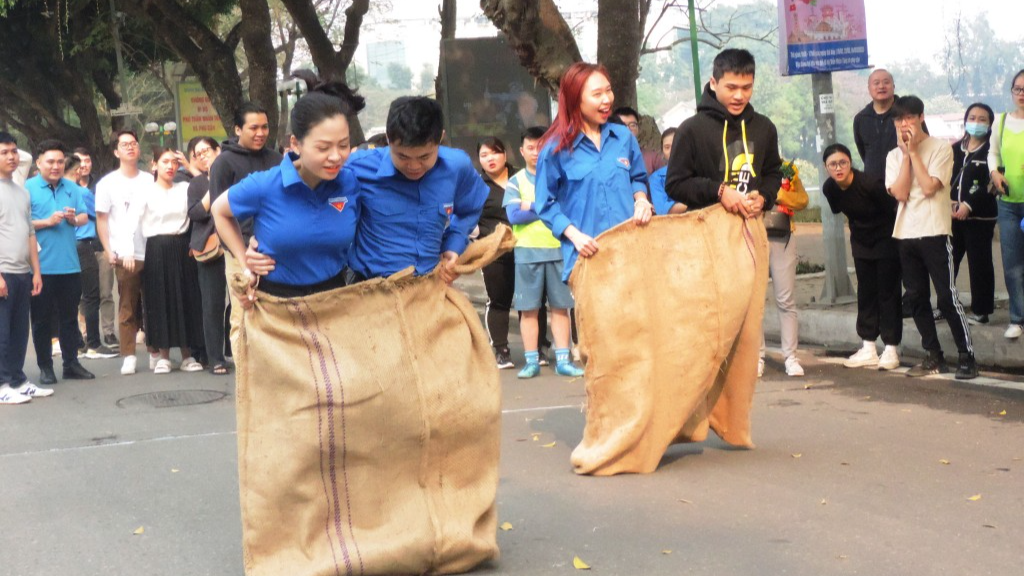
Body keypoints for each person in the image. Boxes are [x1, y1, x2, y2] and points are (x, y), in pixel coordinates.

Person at [244, 96, 489, 292]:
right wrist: (263, 244)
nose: (414, 166)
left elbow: (469, 208)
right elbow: (298, 192)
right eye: (402, 156)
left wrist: (454, 244)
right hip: (368, 290)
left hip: (429, 287)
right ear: (389, 140)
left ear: (440, 140)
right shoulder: (356, 167)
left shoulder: (457, 166)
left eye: (425, 157)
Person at [213, 77, 364, 301]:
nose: (336, 156)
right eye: (323, 147)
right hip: (276, 305)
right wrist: (245, 260)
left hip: (335, 301)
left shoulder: (350, 182)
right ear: (295, 144)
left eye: (343, 145)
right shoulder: (265, 184)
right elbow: (219, 210)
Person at [535, 62, 652, 288]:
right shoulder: (554, 149)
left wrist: (642, 200)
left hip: (631, 253)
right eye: (597, 94)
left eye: (608, 90)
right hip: (586, 258)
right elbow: (545, 204)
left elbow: (637, 177)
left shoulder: (624, 137)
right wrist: (575, 236)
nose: (607, 99)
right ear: (574, 99)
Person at [886, 95, 976, 380]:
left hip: (935, 231)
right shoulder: (892, 155)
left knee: (947, 296)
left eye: (909, 118)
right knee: (916, 298)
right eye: (899, 120)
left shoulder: (941, 149)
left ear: (921, 117)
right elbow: (900, 193)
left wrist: (913, 153)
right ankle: (933, 355)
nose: (904, 124)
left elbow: (928, 187)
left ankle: (967, 356)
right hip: (905, 233)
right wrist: (904, 155)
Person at [503, 126, 584, 378]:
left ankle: (563, 360)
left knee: (562, 308)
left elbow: (570, 207)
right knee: (528, 309)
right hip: (527, 252)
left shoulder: (561, 177)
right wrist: (548, 206)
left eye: (541, 147)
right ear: (521, 151)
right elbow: (514, 214)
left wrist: (533, 206)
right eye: (531, 147)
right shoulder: (515, 181)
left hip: (560, 248)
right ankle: (531, 361)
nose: (536, 153)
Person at [121, 148, 204, 374]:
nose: (170, 166)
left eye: (174, 162)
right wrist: (127, 252)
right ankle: (164, 356)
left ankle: (188, 355)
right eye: (165, 162)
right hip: (156, 249)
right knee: (159, 300)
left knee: (187, 299)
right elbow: (130, 224)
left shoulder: (185, 188)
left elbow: (208, 184)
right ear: (154, 165)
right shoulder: (145, 192)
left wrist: (190, 166)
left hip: (183, 248)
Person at [821, 143, 902, 370]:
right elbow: (840, 211)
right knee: (866, 293)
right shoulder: (830, 188)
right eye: (832, 164)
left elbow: (891, 209)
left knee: (888, 293)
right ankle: (868, 346)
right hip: (861, 243)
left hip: (886, 240)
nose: (838, 168)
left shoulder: (869, 184)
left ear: (850, 163)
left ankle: (891, 348)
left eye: (843, 162)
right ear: (826, 167)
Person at [208, 102, 283, 343]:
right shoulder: (223, 163)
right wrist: (242, 258)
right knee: (242, 316)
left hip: (274, 251)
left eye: (265, 127)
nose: (260, 133)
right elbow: (219, 215)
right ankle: (244, 377)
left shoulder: (278, 160)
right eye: (253, 128)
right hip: (238, 253)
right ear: (238, 130)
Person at [25, 139, 95, 384]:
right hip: (40, 267)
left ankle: (71, 363)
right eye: (50, 161)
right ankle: (45, 367)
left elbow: (85, 216)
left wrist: (74, 220)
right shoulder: (27, 188)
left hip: (70, 265)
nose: (55, 166)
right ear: (39, 162)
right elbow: (19, 224)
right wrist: (47, 222)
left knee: (69, 319)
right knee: (42, 320)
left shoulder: (72, 188)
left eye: (59, 161)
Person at [96, 130, 159, 375]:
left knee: (153, 303)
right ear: (116, 151)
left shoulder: (150, 179)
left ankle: (155, 351)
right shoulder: (107, 184)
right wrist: (109, 250)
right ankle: (129, 354)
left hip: (151, 249)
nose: (131, 148)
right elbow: (102, 221)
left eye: (133, 143)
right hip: (124, 254)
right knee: (128, 305)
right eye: (125, 144)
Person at [0, 131, 47, 404]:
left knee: (19, 331)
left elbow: (30, 232)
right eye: (5, 152)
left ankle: (17, 380)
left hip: (22, 272)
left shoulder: (21, 191)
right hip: (3, 272)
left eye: (14, 151)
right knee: (2, 332)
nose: (12, 157)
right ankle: (2, 383)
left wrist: (36, 271)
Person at [947, 103, 997, 326]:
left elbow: (991, 185)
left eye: (982, 119)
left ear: (990, 124)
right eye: (973, 117)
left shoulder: (992, 151)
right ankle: (945, 306)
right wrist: (949, 203)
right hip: (951, 216)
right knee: (948, 262)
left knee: (980, 264)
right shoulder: (955, 149)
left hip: (980, 218)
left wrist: (968, 204)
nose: (976, 122)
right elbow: (946, 177)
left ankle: (981, 311)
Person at [759, 160, 809, 378]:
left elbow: (802, 200)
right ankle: (756, 357)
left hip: (783, 236)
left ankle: (790, 357)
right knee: (754, 303)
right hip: (753, 235)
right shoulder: (743, 166)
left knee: (785, 300)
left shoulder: (787, 169)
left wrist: (773, 194)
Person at [64, 155, 117, 359]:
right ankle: (94, 342)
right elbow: (101, 213)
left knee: (71, 296)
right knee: (91, 294)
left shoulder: (58, 192)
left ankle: (77, 341)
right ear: (77, 171)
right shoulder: (82, 192)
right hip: (84, 245)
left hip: (66, 247)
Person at [186, 137, 230, 374]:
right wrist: (211, 189)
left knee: (238, 302)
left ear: (218, 150)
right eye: (198, 154)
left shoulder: (233, 175)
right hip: (209, 249)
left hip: (234, 247)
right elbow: (195, 214)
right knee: (212, 304)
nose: (203, 156)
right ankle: (216, 358)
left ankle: (233, 349)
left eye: (206, 151)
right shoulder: (196, 184)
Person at [477, 137, 518, 368]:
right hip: (493, 251)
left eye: (495, 153)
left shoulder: (520, 177)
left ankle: (539, 347)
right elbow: (468, 215)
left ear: (505, 154)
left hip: (525, 247)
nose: (490, 159)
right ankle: (501, 349)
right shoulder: (476, 184)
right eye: (484, 155)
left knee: (532, 300)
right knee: (499, 299)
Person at [989, 69, 1024, 340]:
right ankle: (1017, 318)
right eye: (1017, 89)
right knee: (1012, 264)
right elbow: (993, 153)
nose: (1021, 94)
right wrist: (994, 173)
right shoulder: (1000, 121)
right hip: (1009, 203)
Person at [854, 69, 898, 180]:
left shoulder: (907, 114)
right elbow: (863, 152)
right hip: (873, 187)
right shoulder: (861, 119)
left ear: (893, 86)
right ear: (869, 89)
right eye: (876, 83)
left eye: (886, 82)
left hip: (905, 185)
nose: (881, 86)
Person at [614, 105, 665, 175]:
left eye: (632, 125)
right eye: (623, 125)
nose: (628, 129)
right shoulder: (605, 158)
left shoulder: (653, 159)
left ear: (638, 129)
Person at [649, 127, 687, 215]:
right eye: (667, 147)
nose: (672, 150)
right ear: (662, 151)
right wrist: (697, 202)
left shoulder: (697, 168)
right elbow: (662, 210)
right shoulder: (656, 178)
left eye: (676, 144)